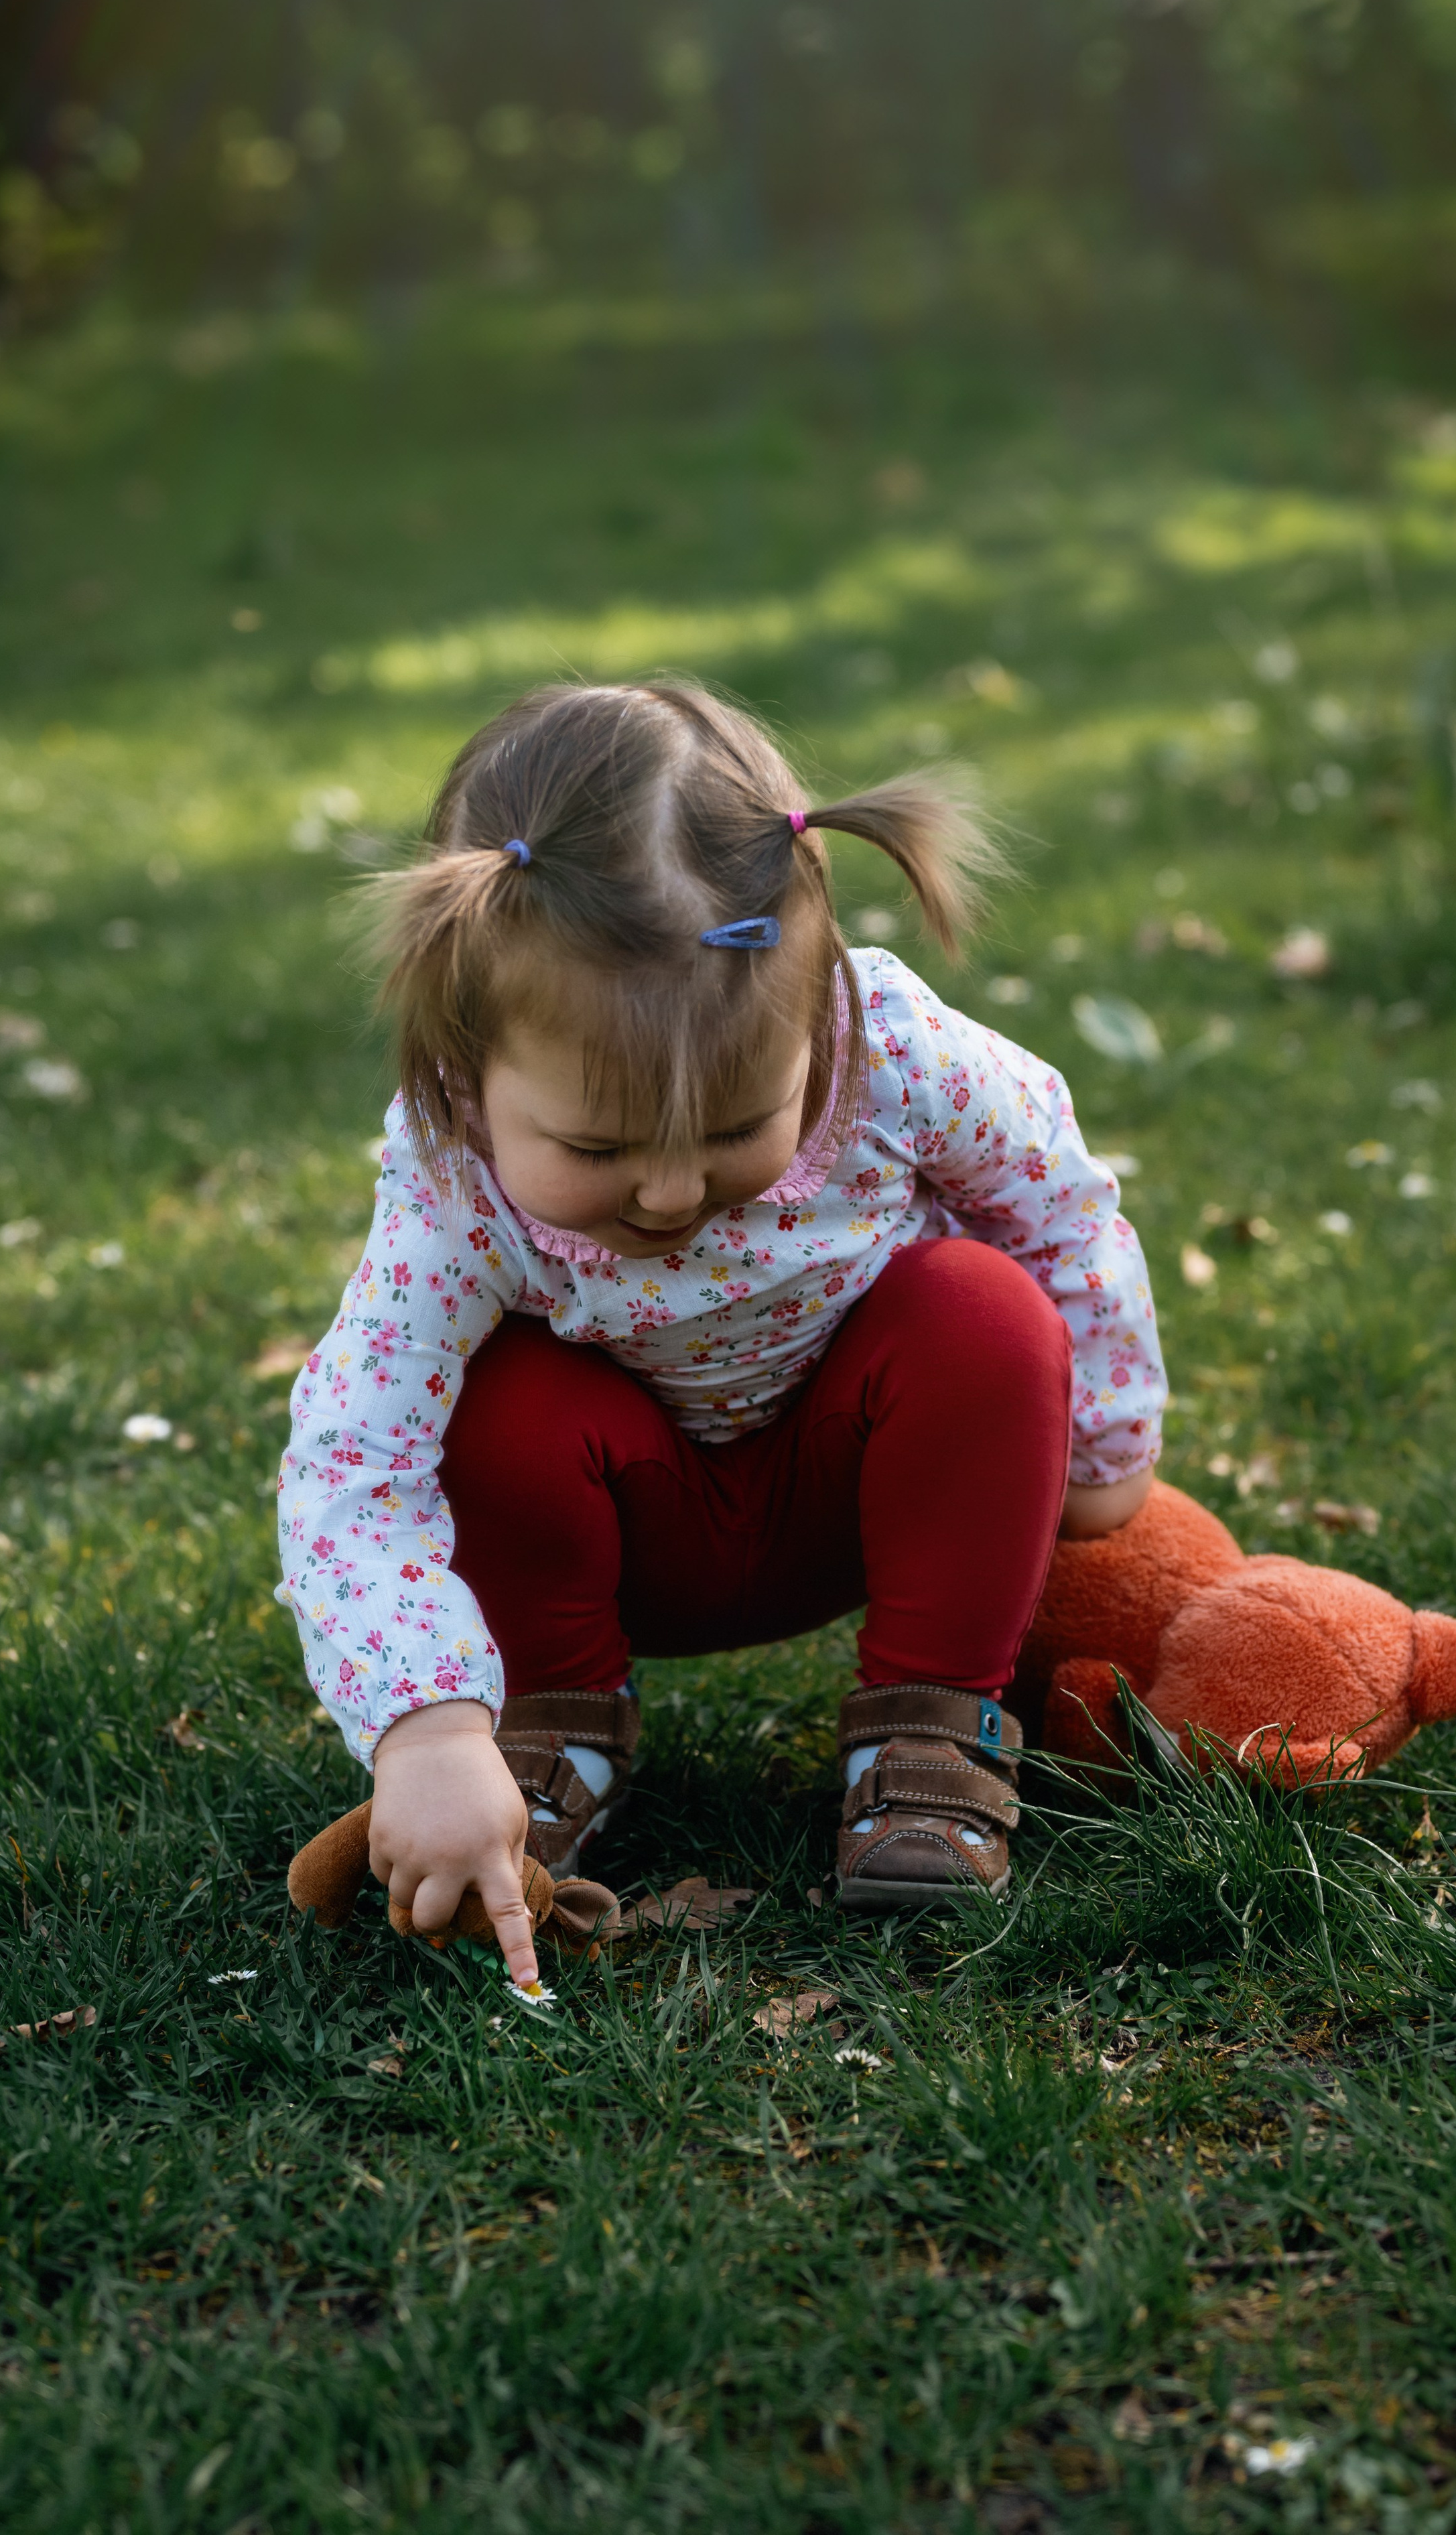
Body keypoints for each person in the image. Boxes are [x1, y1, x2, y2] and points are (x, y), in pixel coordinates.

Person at [275, 680, 1165, 1991]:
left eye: (739, 1128)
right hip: (624, 1540)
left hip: (867, 1493)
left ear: (813, 1017)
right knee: (494, 1390)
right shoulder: (453, 1183)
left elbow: (1061, 1210)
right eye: (597, 1147)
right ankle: (551, 1728)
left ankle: (928, 1725)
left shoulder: (895, 1054)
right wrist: (424, 1729)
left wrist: (1104, 1444)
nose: (670, 1192)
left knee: (978, 1311)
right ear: (469, 1065)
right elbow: (356, 1461)